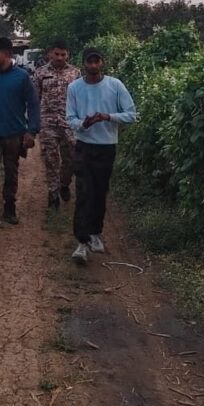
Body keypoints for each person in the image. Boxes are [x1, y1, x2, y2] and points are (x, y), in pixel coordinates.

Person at [65, 46, 137, 264]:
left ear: (102, 63)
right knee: (84, 192)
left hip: (106, 147)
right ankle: (81, 243)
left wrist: (107, 116)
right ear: (83, 64)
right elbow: (70, 119)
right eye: (89, 62)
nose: (93, 65)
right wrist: (84, 123)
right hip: (84, 147)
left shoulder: (115, 85)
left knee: (99, 192)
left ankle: (96, 232)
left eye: (97, 61)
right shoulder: (75, 88)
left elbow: (131, 115)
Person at [0, 37, 40, 225]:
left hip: (14, 134)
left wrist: (32, 131)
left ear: (7, 54)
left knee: (11, 173)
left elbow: (33, 104)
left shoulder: (22, 77)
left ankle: (9, 208)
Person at [32, 39, 81, 210]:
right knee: (51, 159)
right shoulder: (40, 73)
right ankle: (53, 195)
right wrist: (32, 123)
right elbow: (34, 99)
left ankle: (64, 183)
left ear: (68, 54)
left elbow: (80, 99)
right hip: (48, 123)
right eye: (56, 54)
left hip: (69, 122)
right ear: (50, 54)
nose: (60, 57)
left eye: (63, 54)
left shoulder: (76, 73)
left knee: (71, 158)